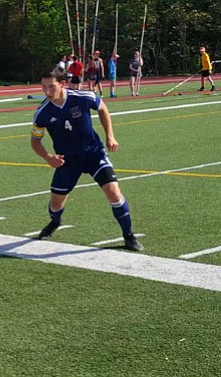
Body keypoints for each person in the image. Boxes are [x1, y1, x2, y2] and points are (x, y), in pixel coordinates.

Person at [29, 71, 144, 252]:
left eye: (51, 86)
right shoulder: (42, 113)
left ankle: (129, 235)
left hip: (94, 154)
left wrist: (110, 136)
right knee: (56, 204)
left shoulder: (83, 97)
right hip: (67, 161)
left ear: (62, 84)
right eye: (43, 87)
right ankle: (55, 221)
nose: (47, 91)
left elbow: (103, 109)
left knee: (114, 192)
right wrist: (48, 157)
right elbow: (35, 141)